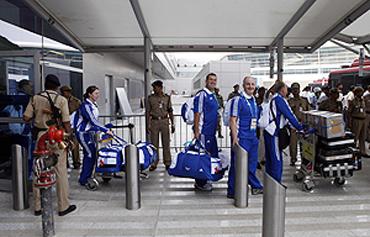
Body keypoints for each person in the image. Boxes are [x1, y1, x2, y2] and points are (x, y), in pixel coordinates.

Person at [23, 74, 76, 216]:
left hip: (41, 137)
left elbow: (26, 117)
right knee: (60, 171)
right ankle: (63, 206)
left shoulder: (35, 98)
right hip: (57, 137)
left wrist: (38, 116)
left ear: (45, 85)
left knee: (39, 169)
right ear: (57, 87)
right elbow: (66, 121)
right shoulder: (62, 100)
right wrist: (69, 135)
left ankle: (38, 207)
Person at [227, 76, 263, 198]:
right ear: (243, 85)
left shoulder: (254, 100)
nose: (250, 87)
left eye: (252, 84)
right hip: (242, 138)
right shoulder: (238, 100)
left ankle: (255, 187)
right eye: (248, 84)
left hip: (252, 138)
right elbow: (233, 119)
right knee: (237, 165)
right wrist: (235, 137)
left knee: (252, 165)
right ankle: (232, 190)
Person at [72, 86, 113, 188]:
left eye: (98, 93)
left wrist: (104, 128)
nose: (97, 95)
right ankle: (84, 179)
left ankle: (88, 176)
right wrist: (105, 129)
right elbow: (92, 120)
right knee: (90, 154)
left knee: (92, 154)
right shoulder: (85, 106)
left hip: (89, 133)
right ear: (89, 94)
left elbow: (94, 122)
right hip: (83, 133)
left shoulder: (93, 105)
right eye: (95, 93)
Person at [264, 81, 304, 183]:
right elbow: (289, 115)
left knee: (270, 159)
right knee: (276, 159)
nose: (288, 90)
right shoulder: (279, 99)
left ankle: (270, 183)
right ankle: (276, 184)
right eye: (286, 88)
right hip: (274, 133)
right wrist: (300, 128)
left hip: (269, 132)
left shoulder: (272, 98)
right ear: (282, 89)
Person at [193, 73, 219, 191]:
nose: (213, 82)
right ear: (206, 81)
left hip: (211, 132)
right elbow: (197, 113)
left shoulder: (213, 95)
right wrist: (197, 131)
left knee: (210, 156)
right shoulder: (202, 95)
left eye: (214, 80)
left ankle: (207, 178)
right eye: (211, 80)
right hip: (204, 132)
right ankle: (200, 182)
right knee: (203, 157)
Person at [147, 80, 175, 171]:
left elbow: (170, 110)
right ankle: (154, 162)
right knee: (154, 144)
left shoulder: (167, 98)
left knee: (166, 143)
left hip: (164, 121)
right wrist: (148, 124)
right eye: (153, 88)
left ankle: (167, 162)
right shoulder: (150, 98)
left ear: (160, 87)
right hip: (154, 121)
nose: (154, 89)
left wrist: (173, 123)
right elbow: (147, 112)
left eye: (155, 87)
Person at [288, 83, 310, 166]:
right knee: (293, 144)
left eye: (297, 88)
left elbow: (309, 111)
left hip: (303, 125)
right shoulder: (289, 101)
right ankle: (293, 159)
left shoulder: (304, 100)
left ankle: (304, 159)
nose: (295, 90)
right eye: (293, 89)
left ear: (299, 89)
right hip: (293, 126)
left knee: (304, 144)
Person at [60, 85, 82, 169]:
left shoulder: (76, 102)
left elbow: (80, 114)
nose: (67, 93)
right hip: (62, 126)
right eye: (65, 91)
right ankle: (65, 163)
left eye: (68, 91)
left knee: (75, 145)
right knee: (63, 145)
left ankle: (77, 163)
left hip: (74, 126)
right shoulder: (59, 101)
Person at [348, 87, 367, 157]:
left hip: (363, 119)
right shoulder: (353, 101)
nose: (362, 93)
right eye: (360, 92)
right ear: (357, 93)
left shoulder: (363, 100)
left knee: (363, 137)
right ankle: (353, 151)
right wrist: (349, 123)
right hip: (356, 120)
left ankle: (363, 151)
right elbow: (349, 112)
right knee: (355, 137)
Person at [256, 86, 266, 167]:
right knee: (258, 143)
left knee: (263, 143)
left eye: (263, 92)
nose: (262, 93)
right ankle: (257, 160)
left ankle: (263, 158)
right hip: (257, 125)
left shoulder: (266, 101)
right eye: (261, 91)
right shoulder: (256, 100)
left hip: (264, 125)